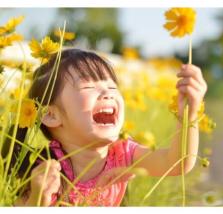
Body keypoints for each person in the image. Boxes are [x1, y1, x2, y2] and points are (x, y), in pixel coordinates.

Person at [13, 48, 207, 206]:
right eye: (88, 87)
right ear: (50, 115)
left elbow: (177, 162)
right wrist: (36, 201)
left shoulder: (122, 155)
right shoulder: (44, 171)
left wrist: (189, 114)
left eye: (113, 87)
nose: (107, 92)